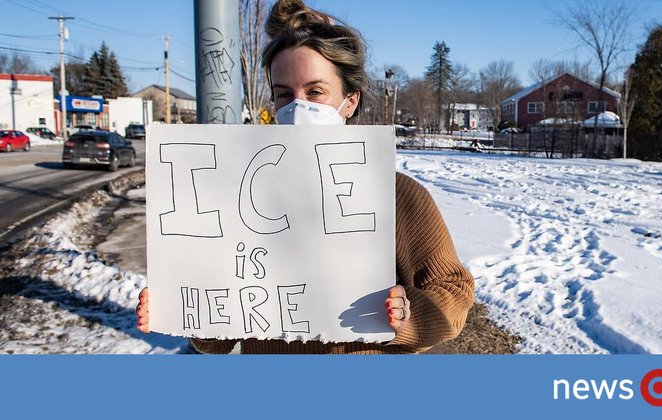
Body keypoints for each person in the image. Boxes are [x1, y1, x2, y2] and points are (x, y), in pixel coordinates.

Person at [136, 0, 474, 354]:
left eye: (315, 92)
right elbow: (218, 335)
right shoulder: (239, 196)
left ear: (350, 101)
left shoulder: (397, 195)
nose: (298, 108)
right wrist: (181, 309)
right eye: (284, 94)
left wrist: (406, 317)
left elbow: (453, 295)